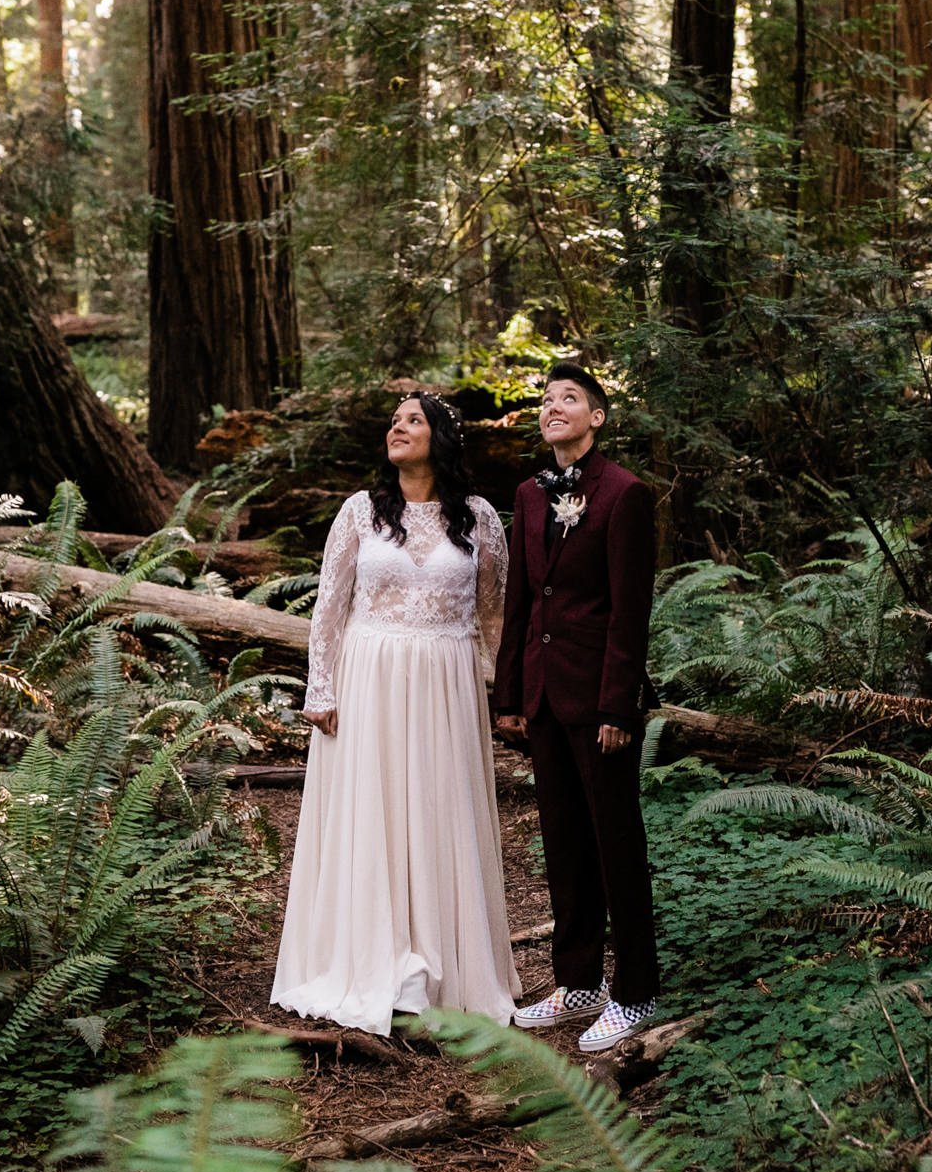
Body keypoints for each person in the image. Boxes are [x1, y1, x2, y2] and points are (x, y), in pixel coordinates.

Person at [271, 392, 521, 1034]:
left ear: (440, 437)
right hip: (369, 678)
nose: (397, 428)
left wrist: (507, 692)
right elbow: (329, 607)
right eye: (393, 421)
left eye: (412, 420)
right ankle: (374, 960)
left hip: (447, 682)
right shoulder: (360, 511)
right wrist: (320, 689)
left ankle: (442, 967)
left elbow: (494, 613)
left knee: (442, 810)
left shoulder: (479, 517)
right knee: (372, 812)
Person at [494, 361, 663, 1053]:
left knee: (614, 843)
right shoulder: (529, 495)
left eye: (569, 398)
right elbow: (520, 602)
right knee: (562, 842)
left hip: (599, 700)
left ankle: (637, 989)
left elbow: (629, 613)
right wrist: (508, 695)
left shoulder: (626, 495)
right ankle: (580, 980)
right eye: (545, 399)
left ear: (597, 417)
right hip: (542, 693)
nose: (552, 407)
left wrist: (618, 708)